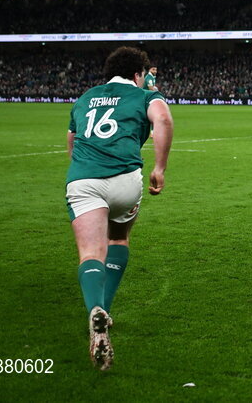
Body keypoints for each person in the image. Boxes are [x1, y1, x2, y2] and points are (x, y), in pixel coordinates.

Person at [65, 46, 173, 371]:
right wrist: (160, 168)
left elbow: (71, 138)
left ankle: (94, 309)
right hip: (125, 179)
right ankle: (103, 314)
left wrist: (81, 168)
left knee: (89, 254)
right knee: (118, 240)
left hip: (83, 180)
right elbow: (163, 119)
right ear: (139, 74)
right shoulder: (145, 97)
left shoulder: (85, 97)